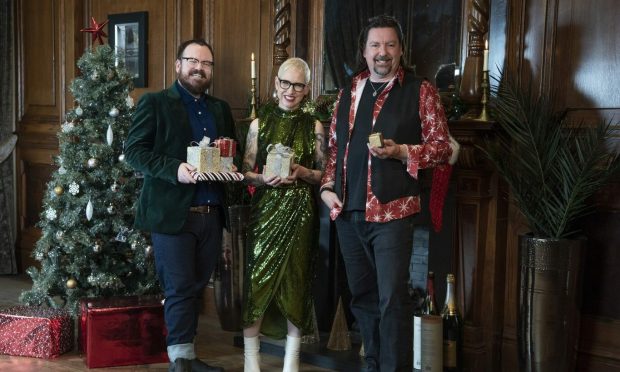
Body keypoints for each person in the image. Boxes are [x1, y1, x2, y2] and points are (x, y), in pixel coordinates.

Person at [319, 15, 459, 371]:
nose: (383, 52)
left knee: (392, 299)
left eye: (390, 45)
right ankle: (374, 363)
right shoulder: (349, 90)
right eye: (376, 45)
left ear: (400, 50)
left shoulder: (420, 89)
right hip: (348, 212)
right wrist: (326, 187)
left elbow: (442, 148)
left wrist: (401, 152)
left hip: (393, 212)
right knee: (363, 298)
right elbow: (335, 149)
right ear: (364, 52)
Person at [125, 39, 237, 372]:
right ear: (178, 65)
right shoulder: (155, 103)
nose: (199, 68)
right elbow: (135, 152)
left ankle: (186, 356)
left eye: (206, 64)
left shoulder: (220, 109)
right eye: (192, 61)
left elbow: (233, 154)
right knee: (178, 287)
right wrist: (175, 170)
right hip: (173, 214)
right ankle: (181, 362)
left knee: (196, 286)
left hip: (211, 213)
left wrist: (228, 153)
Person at [240, 57, 325, 372]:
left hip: (301, 211)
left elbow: (322, 174)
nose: (291, 90)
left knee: (297, 280)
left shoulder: (313, 124)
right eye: (285, 83)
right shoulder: (258, 124)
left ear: (306, 89)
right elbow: (246, 172)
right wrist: (263, 178)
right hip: (265, 211)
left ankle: (292, 362)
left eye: (298, 85)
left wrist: (302, 171)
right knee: (256, 281)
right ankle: (251, 362)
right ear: (275, 84)